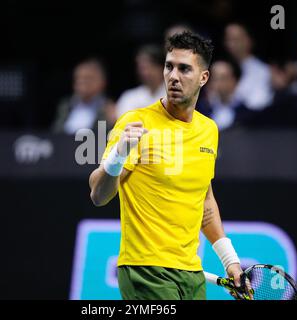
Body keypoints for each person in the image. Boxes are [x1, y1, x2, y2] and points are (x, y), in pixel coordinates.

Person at [89, 31, 247, 300]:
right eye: (169, 66)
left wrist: (230, 260)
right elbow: (98, 195)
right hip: (145, 272)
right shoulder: (136, 122)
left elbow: (204, 201)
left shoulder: (209, 130)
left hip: (191, 273)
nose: (173, 76)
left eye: (184, 69)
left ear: (203, 78)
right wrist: (117, 155)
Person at [52, 58, 116, 135]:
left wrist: (113, 121)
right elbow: (55, 134)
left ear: (102, 82)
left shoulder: (109, 109)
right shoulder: (65, 106)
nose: (81, 82)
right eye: (78, 78)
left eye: (87, 78)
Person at [224, 23, 273, 111]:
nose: (231, 44)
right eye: (228, 39)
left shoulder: (262, 70)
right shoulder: (221, 68)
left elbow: (258, 103)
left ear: (249, 40)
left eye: (236, 39)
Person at [115, 44, 165, 118]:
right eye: (141, 68)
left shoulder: (173, 96)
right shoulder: (129, 97)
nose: (144, 73)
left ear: (161, 67)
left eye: (148, 67)